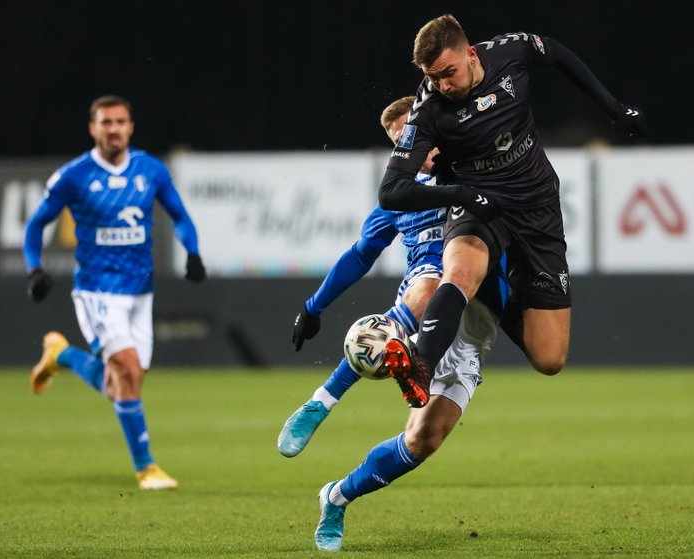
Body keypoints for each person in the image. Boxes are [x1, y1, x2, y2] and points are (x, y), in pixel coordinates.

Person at [378, 14, 648, 407]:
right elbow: (391, 191)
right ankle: (421, 364)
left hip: (537, 207)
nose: (443, 85)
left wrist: (612, 106)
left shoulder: (510, 52)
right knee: (460, 272)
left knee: (549, 358)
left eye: (448, 73)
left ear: (470, 54)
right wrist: (460, 194)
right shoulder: (428, 110)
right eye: (434, 78)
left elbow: (556, 53)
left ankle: (492, 299)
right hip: (480, 207)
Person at [23, 95, 206, 490]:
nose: (114, 129)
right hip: (97, 289)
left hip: (141, 290)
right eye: (106, 122)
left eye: (120, 121)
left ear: (131, 127)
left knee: (122, 382)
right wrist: (34, 268)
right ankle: (147, 468)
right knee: (124, 367)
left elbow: (179, 214)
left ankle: (62, 355)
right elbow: (36, 225)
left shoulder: (150, 170)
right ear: (93, 128)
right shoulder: (73, 176)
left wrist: (192, 252)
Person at [277, 96, 446, 457]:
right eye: (401, 144)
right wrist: (313, 307)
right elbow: (360, 255)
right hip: (427, 292)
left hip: (478, 296)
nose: (411, 150)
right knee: (421, 440)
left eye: (414, 137)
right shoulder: (398, 196)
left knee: (548, 357)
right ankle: (323, 411)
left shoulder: (475, 166)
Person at [314, 253, 507, 552]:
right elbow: (368, 242)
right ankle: (401, 361)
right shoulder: (447, 211)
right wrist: (313, 307)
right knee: (418, 423)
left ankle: (335, 494)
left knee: (423, 440)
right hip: (435, 310)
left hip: (474, 337)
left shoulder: (521, 215)